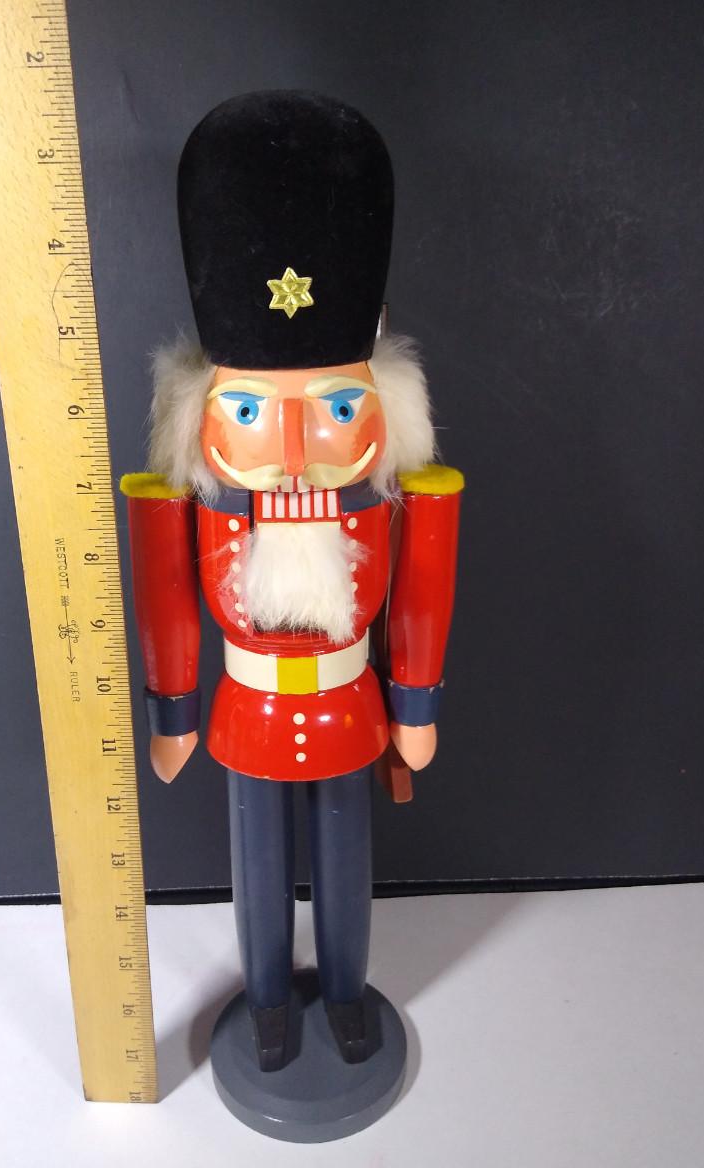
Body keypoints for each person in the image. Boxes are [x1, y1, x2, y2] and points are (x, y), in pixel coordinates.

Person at [122, 91, 462, 1071]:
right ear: (203, 411)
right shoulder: (196, 505)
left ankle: (348, 993)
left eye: (337, 407)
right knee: (258, 863)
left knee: (347, 858)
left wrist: (415, 705)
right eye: (252, 413)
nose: (297, 447)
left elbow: (419, 599)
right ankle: (268, 1000)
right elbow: (169, 603)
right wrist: (176, 713)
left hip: (353, 706)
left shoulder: (396, 500)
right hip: (249, 710)